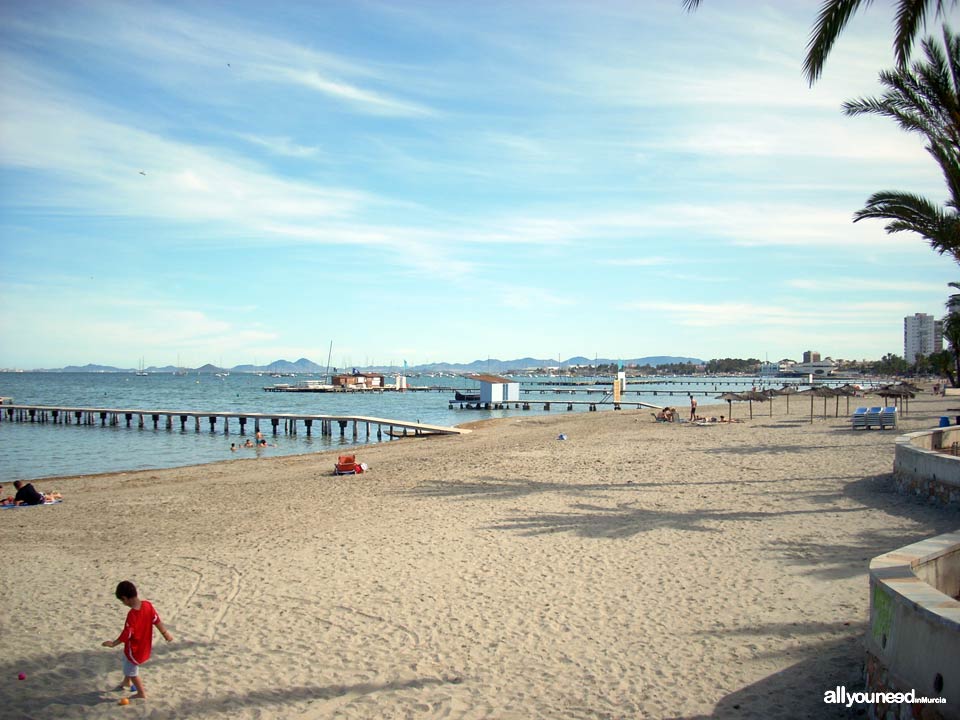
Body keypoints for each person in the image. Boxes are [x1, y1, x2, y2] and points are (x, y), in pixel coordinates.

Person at [102, 580, 173, 700]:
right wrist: (165, 633)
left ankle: (141, 693)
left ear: (125, 598)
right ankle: (126, 682)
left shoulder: (132, 615)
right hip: (144, 646)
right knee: (127, 663)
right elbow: (156, 620)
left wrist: (113, 643)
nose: (123, 603)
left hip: (135, 649)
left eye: (122, 601)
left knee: (132, 671)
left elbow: (127, 634)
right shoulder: (148, 605)